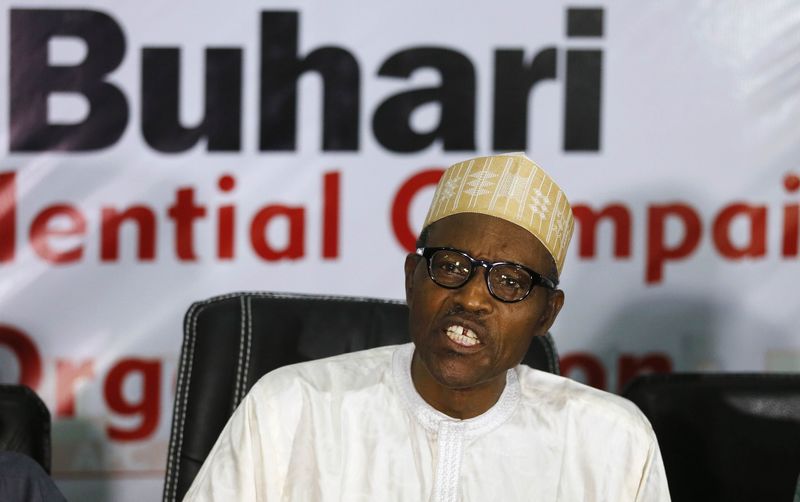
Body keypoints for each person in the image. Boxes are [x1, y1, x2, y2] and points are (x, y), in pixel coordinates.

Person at [184, 153, 671, 501]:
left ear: (546, 314)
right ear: (413, 278)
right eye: (453, 266)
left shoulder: (612, 443)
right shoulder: (292, 408)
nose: (473, 298)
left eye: (509, 281)